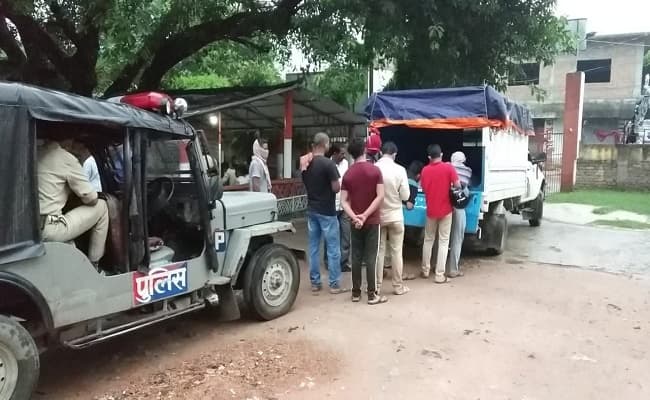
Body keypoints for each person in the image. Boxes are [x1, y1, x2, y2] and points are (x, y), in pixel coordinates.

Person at [37, 139, 109, 269]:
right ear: (69, 141)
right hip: (50, 229)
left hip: (30, 228)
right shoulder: (65, 158)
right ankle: (94, 265)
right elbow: (91, 198)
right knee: (102, 206)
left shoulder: (36, 153)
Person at [341, 139, 387, 305]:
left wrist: (355, 217)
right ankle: (372, 295)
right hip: (372, 220)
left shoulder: (348, 174)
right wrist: (366, 215)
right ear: (365, 150)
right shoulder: (375, 171)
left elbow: (343, 201)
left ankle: (355, 293)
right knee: (371, 257)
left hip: (355, 222)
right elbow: (380, 196)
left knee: (356, 256)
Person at [302, 132, 346, 294]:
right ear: (325, 144)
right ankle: (334, 284)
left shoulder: (305, 163)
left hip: (312, 209)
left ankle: (315, 283)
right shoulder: (328, 164)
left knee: (313, 247)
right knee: (333, 248)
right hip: (327, 211)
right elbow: (336, 188)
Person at [420, 144, 461, 284]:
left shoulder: (425, 170)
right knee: (444, 241)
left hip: (431, 210)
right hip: (446, 210)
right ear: (441, 154)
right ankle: (439, 275)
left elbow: (423, 188)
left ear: (429, 157)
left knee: (428, 240)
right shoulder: (449, 168)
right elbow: (458, 185)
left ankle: (425, 270)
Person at [375, 142, 411, 295]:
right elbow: (405, 196)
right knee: (397, 252)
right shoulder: (400, 170)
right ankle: (398, 286)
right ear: (394, 154)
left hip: (379, 216)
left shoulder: (374, 168)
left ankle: (376, 287)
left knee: (379, 251)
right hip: (396, 215)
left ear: (380, 152)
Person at [323, 143, 351, 273]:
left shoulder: (346, 164)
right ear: (334, 153)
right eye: (342, 153)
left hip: (344, 205)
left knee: (345, 235)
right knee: (330, 236)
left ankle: (343, 263)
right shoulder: (327, 165)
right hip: (331, 206)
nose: (344, 156)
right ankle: (329, 262)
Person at [446, 151, 472, 278]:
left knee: (441, 238)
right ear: (463, 160)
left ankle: (435, 265)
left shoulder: (445, 167)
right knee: (457, 238)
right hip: (458, 206)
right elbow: (466, 186)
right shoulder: (467, 171)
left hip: (445, 205)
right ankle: (453, 269)